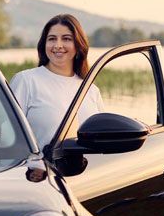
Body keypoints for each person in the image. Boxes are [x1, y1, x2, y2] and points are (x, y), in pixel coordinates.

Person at [9, 14, 104, 151]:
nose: (58, 45)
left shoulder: (91, 90)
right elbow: (8, 135)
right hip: (43, 164)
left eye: (66, 39)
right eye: (52, 39)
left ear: (78, 44)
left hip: (90, 165)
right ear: (44, 44)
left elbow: (102, 139)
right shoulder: (26, 81)